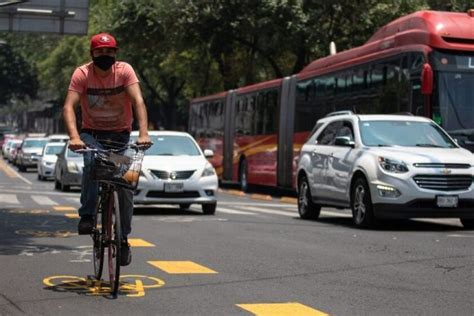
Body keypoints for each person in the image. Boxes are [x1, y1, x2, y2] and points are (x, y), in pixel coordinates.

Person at [63, 32, 152, 266]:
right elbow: (69, 107)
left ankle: (123, 239)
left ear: (115, 53)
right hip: (91, 136)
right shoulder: (82, 74)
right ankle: (87, 215)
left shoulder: (124, 71)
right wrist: (74, 137)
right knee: (92, 164)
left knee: (125, 183)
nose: (106, 55)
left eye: (110, 51)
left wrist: (143, 133)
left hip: (120, 137)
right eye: (100, 52)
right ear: (92, 54)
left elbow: (138, 102)